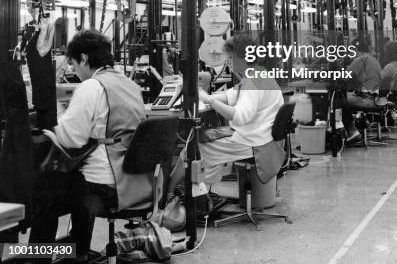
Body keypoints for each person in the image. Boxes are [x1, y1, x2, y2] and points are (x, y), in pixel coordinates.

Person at [30, 30, 152, 262]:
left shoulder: (92, 86)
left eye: (74, 64)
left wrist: (51, 119)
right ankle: (79, 252)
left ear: (84, 58)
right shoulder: (130, 85)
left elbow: (70, 138)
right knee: (75, 178)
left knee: (44, 191)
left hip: (106, 186)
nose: (75, 71)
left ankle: (37, 258)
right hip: (135, 183)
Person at [166, 34, 283, 198]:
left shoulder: (253, 81)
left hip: (255, 142)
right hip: (264, 139)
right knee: (205, 143)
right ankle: (201, 194)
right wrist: (206, 96)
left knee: (193, 147)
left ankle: (170, 193)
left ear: (241, 58)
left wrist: (209, 101)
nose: (228, 62)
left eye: (230, 58)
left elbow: (239, 117)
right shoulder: (260, 75)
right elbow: (233, 95)